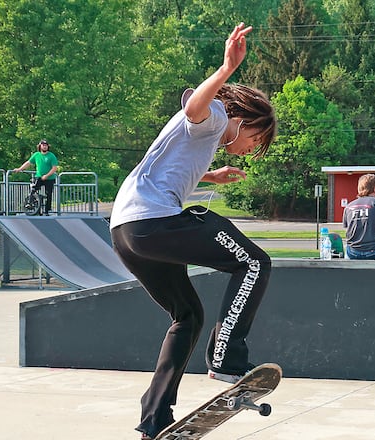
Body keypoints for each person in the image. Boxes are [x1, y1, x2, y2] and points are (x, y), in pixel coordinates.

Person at [108, 23, 277, 440]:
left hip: (127, 232)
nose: (250, 150)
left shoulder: (203, 143)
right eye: (254, 140)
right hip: (153, 223)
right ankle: (227, 359)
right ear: (243, 120)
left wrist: (211, 178)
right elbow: (195, 109)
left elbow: (164, 173)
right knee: (254, 262)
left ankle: (154, 419)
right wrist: (224, 71)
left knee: (187, 316)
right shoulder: (216, 117)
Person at [13, 139, 59, 215]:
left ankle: (47, 210)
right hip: (39, 176)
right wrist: (19, 169)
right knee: (33, 189)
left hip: (49, 178)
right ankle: (30, 203)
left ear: (48, 147)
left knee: (49, 194)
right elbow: (28, 163)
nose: (44, 147)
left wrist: (47, 175)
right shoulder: (36, 155)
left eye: (46, 145)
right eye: (43, 145)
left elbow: (54, 168)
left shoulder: (51, 156)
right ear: (40, 146)